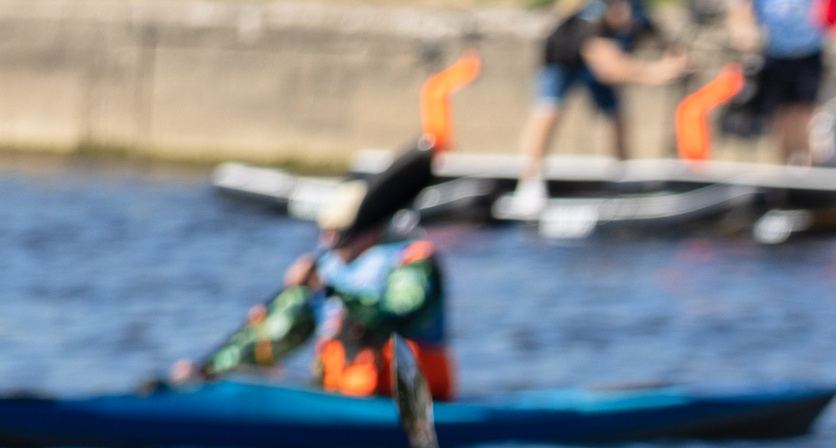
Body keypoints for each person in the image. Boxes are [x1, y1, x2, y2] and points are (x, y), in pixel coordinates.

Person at [184, 159, 454, 400]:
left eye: (337, 232)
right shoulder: (328, 268)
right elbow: (278, 330)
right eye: (325, 232)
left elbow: (396, 311)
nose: (327, 242)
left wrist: (332, 290)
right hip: (342, 395)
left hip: (410, 402)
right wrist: (210, 368)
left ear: (369, 229)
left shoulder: (411, 264)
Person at [517, 0, 686, 201]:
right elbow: (609, 69)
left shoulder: (639, 13)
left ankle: (622, 173)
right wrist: (655, 73)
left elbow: (664, 41)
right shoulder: (591, 18)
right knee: (548, 112)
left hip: (597, 72)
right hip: (563, 63)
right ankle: (530, 180)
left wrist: (679, 59)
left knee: (618, 118)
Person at [729, 0, 828, 164]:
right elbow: (742, 11)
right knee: (779, 114)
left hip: (809, 52)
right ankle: (785, 164)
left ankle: (806, 162)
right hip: (775, 54)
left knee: (804, 112)